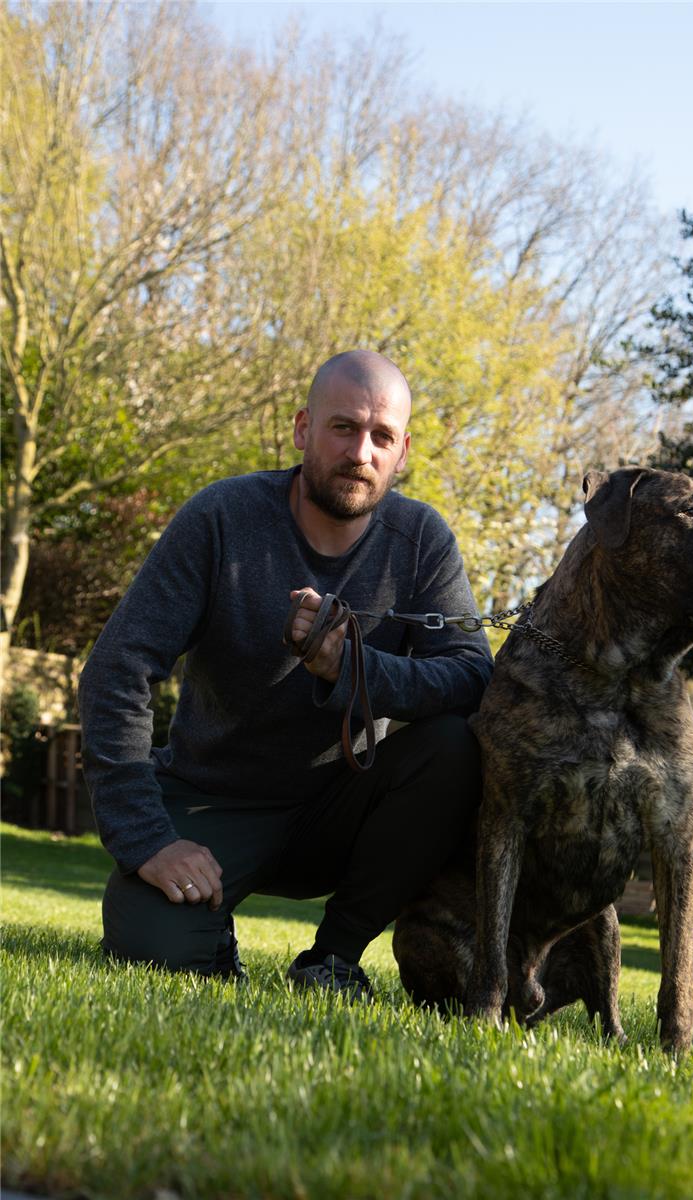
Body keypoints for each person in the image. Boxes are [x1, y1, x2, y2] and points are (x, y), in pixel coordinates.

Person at [78, 349, 492, 999]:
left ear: (403, 451)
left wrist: (353, 667)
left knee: (452, 745)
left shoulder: (422, 539)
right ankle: (210, 933)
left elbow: (472, 677)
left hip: (344, 809)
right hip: (216, 799)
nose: (362, 452)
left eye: (382, 436)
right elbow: (117, 668)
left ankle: (333, 958)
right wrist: (146, 839)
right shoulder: (222, 518)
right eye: (343, 427)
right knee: (150, 950)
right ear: (303, 429)